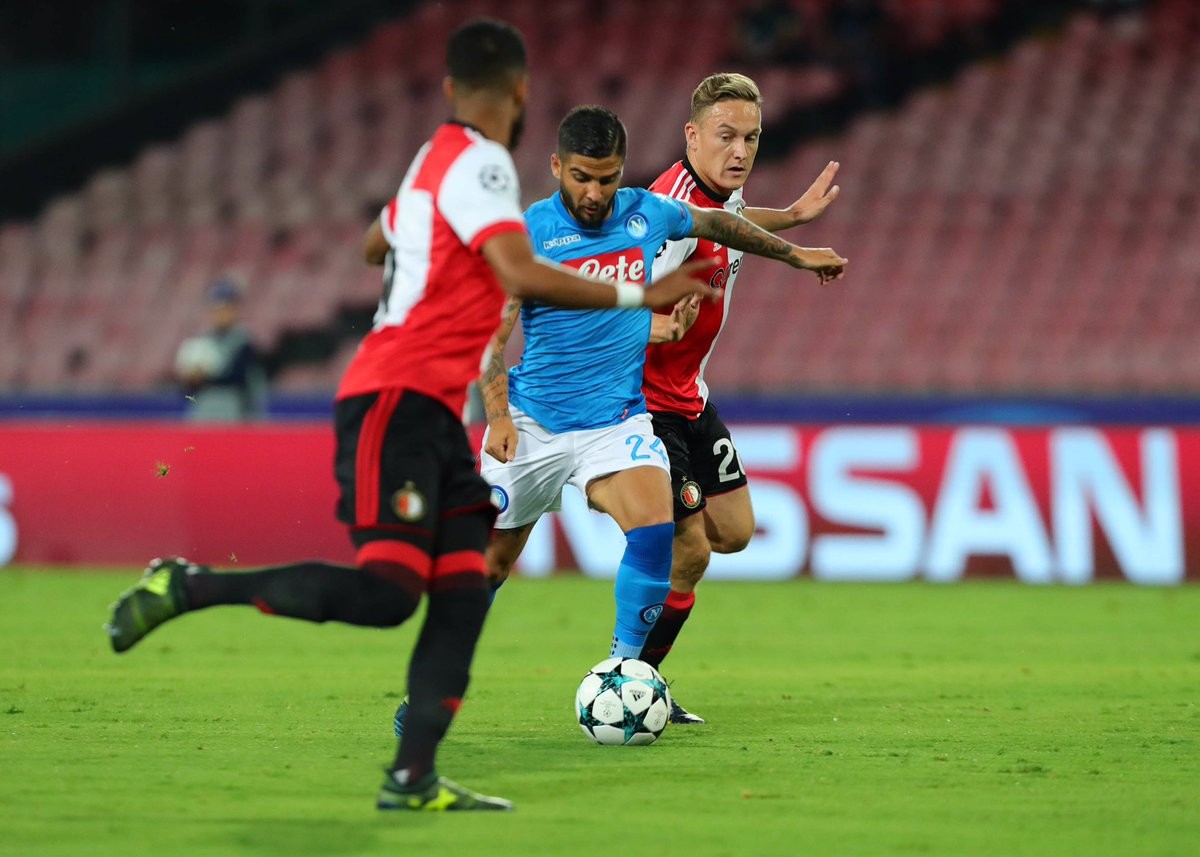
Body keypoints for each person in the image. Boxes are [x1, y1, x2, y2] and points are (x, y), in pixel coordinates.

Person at [104, 19, 714, 814]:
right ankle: (189, 585)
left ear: (452, 88)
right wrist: (639, 294)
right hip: (394, 395)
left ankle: (412, 777)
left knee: (465, 584)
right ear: (521, 93)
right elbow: (519, 270)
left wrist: (430, 252)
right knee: (389, 592)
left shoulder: (434, 163)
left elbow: (374, 243)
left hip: (428, 404)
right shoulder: (481, 167)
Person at [388, 105, 841, 736]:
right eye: (582, 177)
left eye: (607, 178)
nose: (595, 193)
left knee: (656, 531)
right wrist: (497, 415)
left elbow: (718, 222)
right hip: (535, 423)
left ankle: (624, 673)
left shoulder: (644, 213)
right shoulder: (527, 235)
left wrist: (796, 253)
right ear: (557, 167)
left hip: (616, 422)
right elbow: (491, 333)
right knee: (486, 566)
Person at [637, 72, 843, 723]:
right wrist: (653, 326)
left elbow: (730, 222)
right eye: (726, 136)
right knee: (691, 552)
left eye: (751, 138)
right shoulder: (663, 213)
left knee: (734, 531)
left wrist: (792, 217)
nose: (741, 151)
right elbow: (605, 297)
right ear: (691, 135)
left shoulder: (719, 194)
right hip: (642, 403)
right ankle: (631, 679)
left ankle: (644, 576)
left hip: (690, 397)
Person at [175, 278, 268, 421]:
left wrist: (204, 377)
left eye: (226, 308)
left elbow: (238, 379)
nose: (221, 314)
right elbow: (187, 393)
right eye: (217, 309)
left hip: (235, 411)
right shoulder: (202, 341)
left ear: (235, 310)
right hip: (204, 409)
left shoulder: (244, 340)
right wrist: (190, 381)